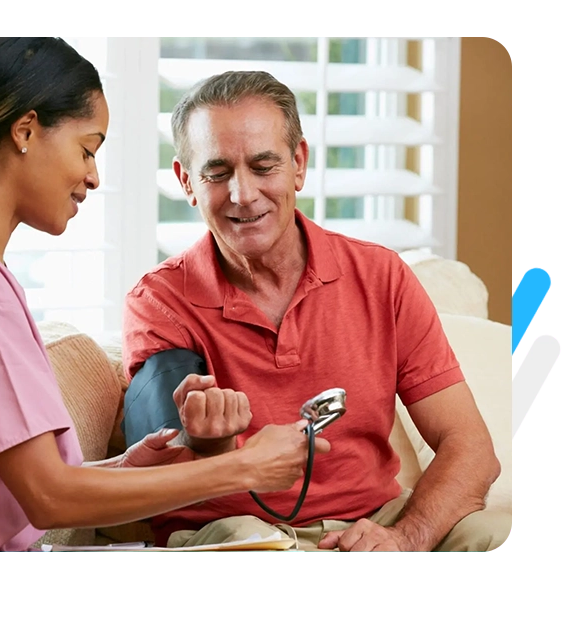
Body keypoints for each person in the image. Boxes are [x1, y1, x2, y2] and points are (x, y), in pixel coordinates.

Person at [0, 36, 322, 552]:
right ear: (25, 131)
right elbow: (48, 498)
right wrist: (243, 467)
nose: (93, 176)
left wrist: (123, 470)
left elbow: (7, 481)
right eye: (86, 148)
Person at [122, 70, 507, 552]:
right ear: (186, 181)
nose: (243, 194)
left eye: (264, 167)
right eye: (218, 173)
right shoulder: (159, 301)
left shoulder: (380, 276)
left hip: (374, 523)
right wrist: (208, 445)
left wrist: (404, 537)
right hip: (241, 534)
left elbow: (470, 448)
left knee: (495, 535)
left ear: (298, 163)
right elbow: (149, 481)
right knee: (245, 546)